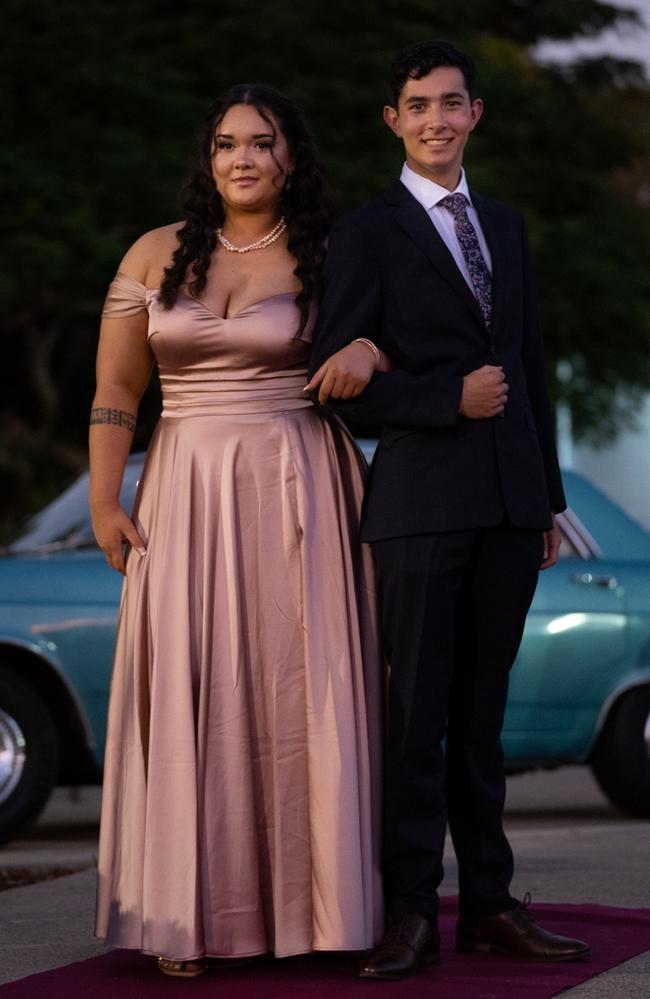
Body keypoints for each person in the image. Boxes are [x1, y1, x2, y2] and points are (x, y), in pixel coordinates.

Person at [307, 41, 590, 980]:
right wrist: (442, 398)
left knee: (481, 722)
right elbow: (334, 389)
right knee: (417, 717)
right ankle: (409, 911)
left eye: (452, 103)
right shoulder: (366, 233)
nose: (436, 118)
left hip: (509, 506)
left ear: (476, 115)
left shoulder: (505, 226)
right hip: (420, 508)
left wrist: (545, 498)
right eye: (418, 105)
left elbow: (532, 365)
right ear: (393, 120)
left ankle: (494, 906)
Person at [90, 84, 387, 977]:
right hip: (182, 486)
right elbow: (116, 392)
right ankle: (189, 913)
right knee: (195, 685)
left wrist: (372, 351)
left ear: (292, 155)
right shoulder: (153, 255)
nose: (243, 159)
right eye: (226, 144)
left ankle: (321, 909)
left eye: (262, 143)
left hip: (299, 486)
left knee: (301, 687)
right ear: (208, 158)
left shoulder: (330, 251)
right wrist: (108, 501)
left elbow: (401, 343)